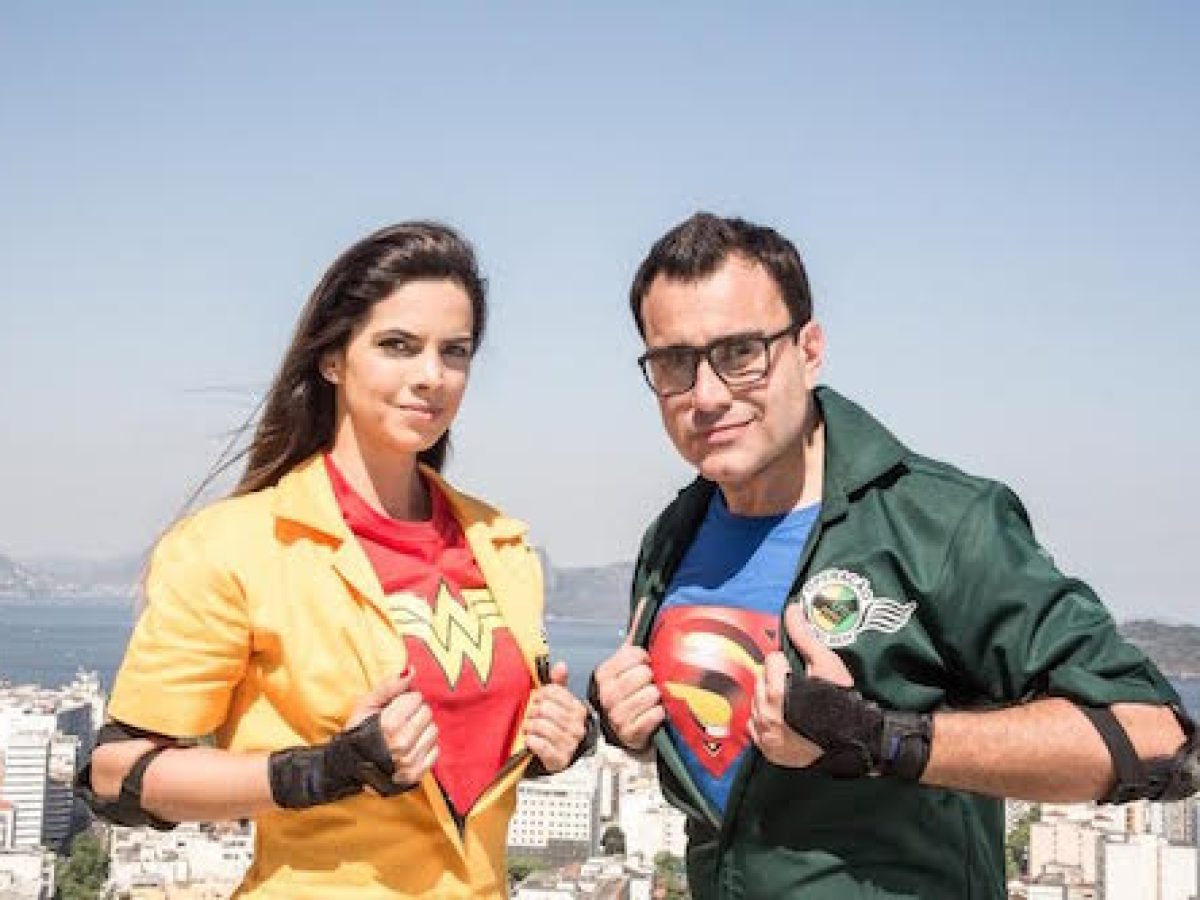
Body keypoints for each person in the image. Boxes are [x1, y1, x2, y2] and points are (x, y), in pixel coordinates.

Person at [589, 212, 1196, 899]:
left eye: (740, 353)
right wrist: (630, 726)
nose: (706, 395)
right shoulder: (672, 536)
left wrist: (879, 739)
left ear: (809, 350)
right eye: (675, 362)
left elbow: (1152, 736)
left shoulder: (942, 525)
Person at [77, 222, 594, 899]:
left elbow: (467, 761)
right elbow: (116, 774)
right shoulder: (236, 545)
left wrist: (559, 741)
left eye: (455, 352)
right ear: (332, 359)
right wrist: (325, 770)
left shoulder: (501, 545)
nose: (431, 377)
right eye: (397, 345)